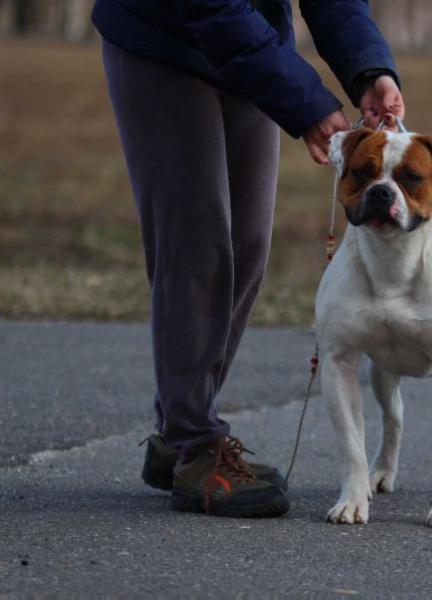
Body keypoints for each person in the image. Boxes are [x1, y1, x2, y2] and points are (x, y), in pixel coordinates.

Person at [91, 0, 405, 518]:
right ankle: (195, 443)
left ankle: (180, 429)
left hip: (251, 44)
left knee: (247, 243)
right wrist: (303, 100)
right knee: (197, 244)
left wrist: (370, 70)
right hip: (160, 37)